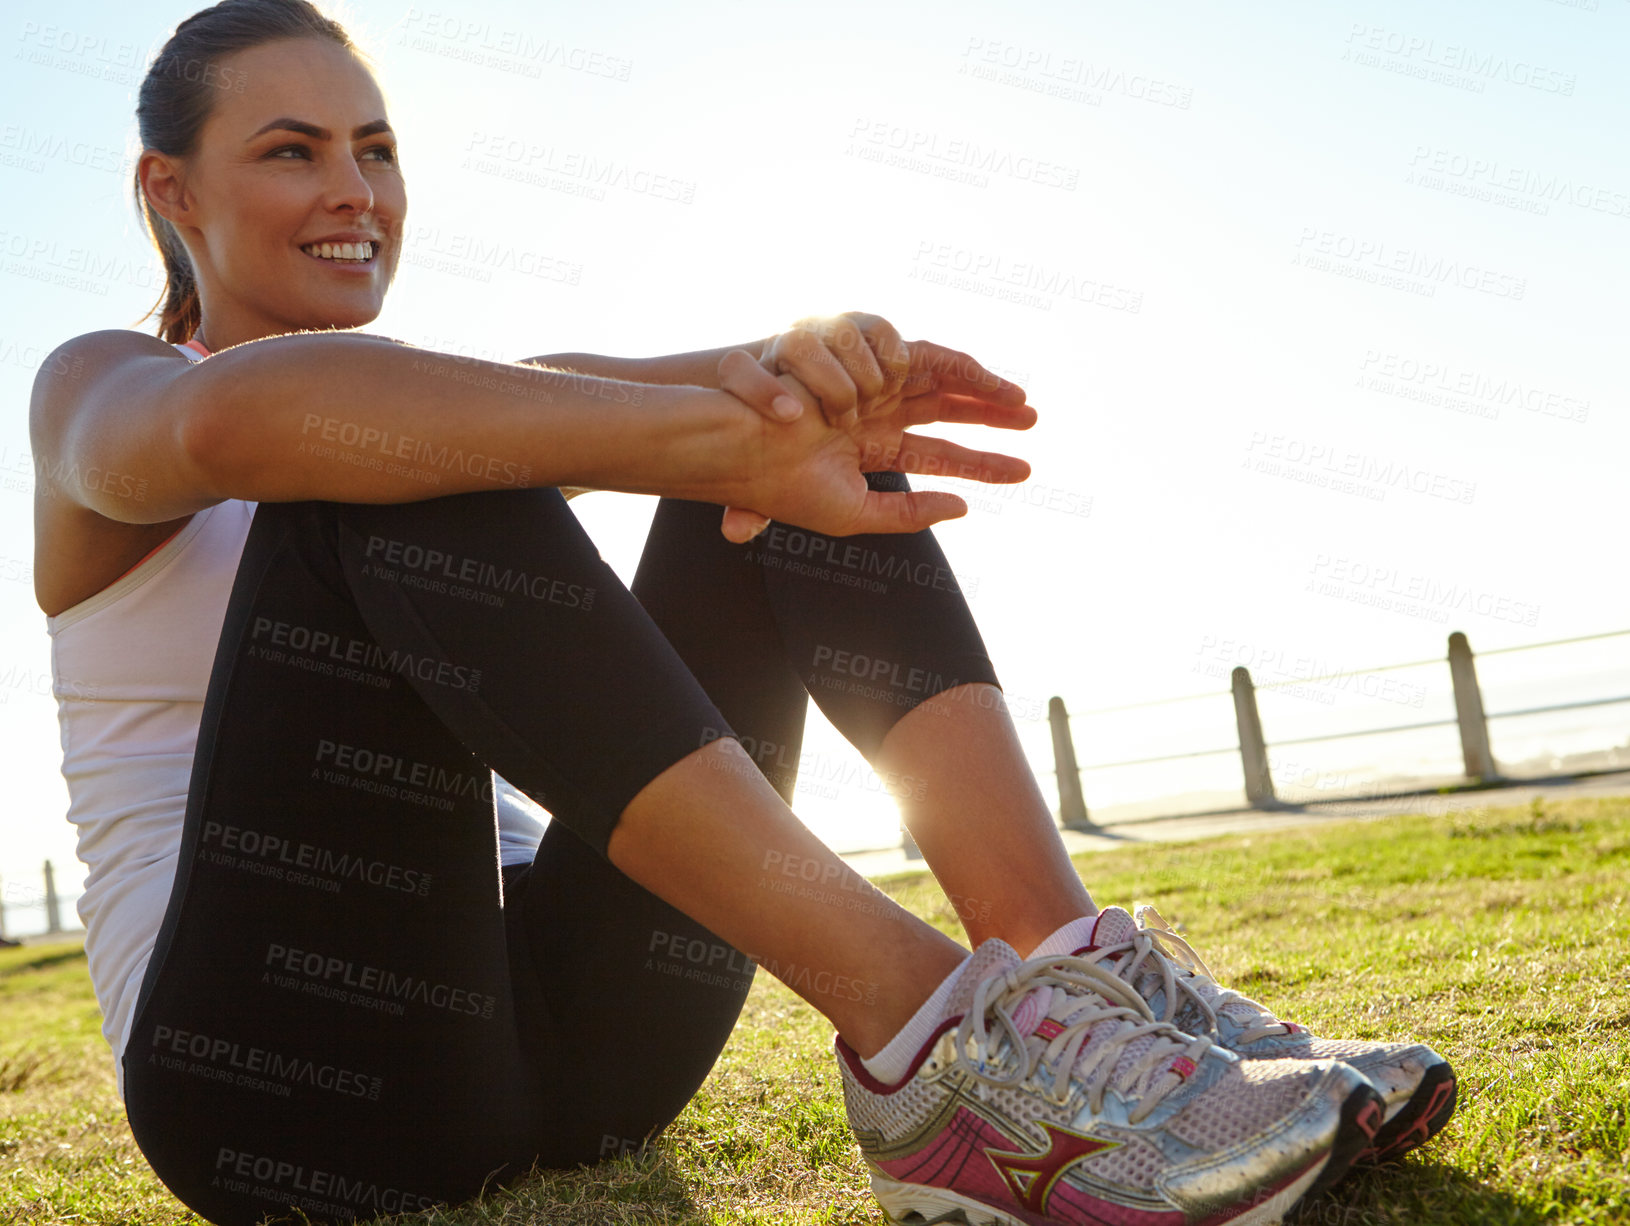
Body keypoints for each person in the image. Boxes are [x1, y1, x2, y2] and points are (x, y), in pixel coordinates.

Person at [31, 3, 1455, 1224]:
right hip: (271, 1078)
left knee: (769, 451)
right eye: (292, 151)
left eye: (377, 147)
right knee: (396, 446)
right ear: (171, 190)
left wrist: (804, 384)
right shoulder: (97, 394)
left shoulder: (438, 376)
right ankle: (930, 1045)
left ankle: (1076, 1001)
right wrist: (715, 429)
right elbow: (246, 427)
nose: (355, 189)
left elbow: (703, 397)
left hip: (590, 1057)